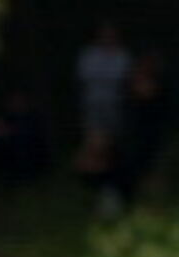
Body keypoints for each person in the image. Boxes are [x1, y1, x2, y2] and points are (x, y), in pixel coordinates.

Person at [74, 19, 133, 185]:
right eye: (104, 34)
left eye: (111, 34)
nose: (107, 37)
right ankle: (90, 181)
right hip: (92, 106)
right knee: (93, 144)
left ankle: (113, 182)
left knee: (112, 146)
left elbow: (122, 78)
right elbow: (85, 76)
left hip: (115, 107)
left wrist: (104, 78)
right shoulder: (88, 54)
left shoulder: (123, 55)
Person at [110, 47, 169, 208]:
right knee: (126, 171)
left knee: (152, 170)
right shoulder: (128, 84)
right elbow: (125, 109)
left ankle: (153, 206)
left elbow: (159, 110)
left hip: (151, 138)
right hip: (130, 138)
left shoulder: (160, 85)